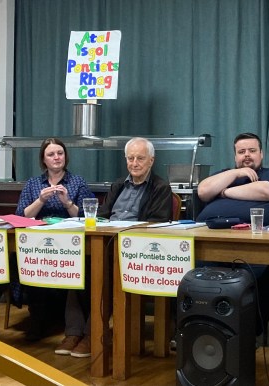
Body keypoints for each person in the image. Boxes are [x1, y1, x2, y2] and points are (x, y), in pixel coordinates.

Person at [52, 137, 172, 358]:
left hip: (135, 250)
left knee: (102, 272)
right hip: (106, 243)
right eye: (130, 158)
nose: (134, 163)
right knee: (77, 266)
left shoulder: (160, 187)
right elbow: (103, 216)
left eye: (140, 158)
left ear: (151, 161)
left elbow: (158, 223)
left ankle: (93, 335)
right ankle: (73, 333)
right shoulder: (118, 185)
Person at [195, 132, 269, 369]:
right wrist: (236, 174)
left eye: (251, 151)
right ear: (235, 155)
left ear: (261, 154)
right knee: (192, 277)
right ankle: (200, 333)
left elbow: (266, 192)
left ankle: (244, 337)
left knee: (260, 277)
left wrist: (225, 192)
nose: (247, 156)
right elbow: (203, 190)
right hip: (210, 241)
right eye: (241, 152)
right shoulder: (226, 174)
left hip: (254, 246)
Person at [15, 138, 96, 345]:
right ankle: (37, 321)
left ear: (65, 157)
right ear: (44, 159)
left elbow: (89, 216)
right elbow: (21, 216)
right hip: (38, 244)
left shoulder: (77, 182)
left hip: (70, 244)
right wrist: (41, 200)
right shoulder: (34, 183)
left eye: (60, 153)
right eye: (51, 154)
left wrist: (67, 202)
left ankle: (68, 323)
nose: (56, 157)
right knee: (29, 265)